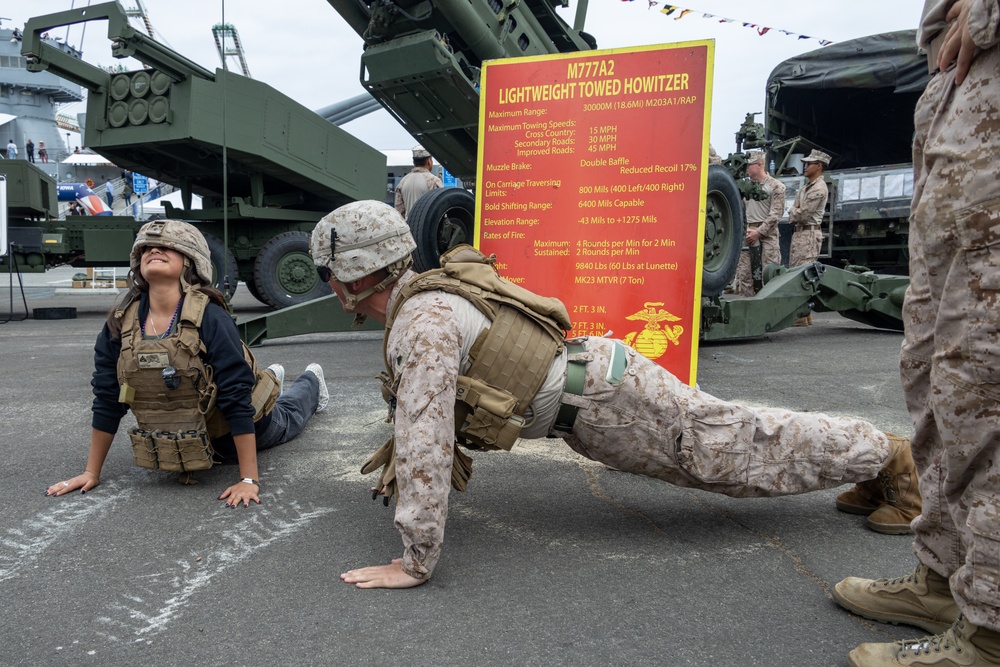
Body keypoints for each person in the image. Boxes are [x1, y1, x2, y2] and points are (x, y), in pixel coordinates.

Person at [309, 201, 921, 590]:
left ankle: (891, 460)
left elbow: (426, 436)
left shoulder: (421, 323)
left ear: (355, 275)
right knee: (734, 439)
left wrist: (415, 557)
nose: (328, 282)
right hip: (599, 385)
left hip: (606, 401)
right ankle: (878, 461)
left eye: (328, 271)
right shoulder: (428, 298)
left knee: (732, 454)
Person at [832, 1, 1000, 665]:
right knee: (935, 374)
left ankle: (989, 628)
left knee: (984, 387)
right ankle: (943, 577)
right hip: (956, 108)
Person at [45, 220, 330, 507]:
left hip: (236, 433)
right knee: (242, 383)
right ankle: (267, 377)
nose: (154, 250)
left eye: (167, 246)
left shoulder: (211, 317)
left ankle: (310, 381)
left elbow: (235, 398)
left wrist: (248, 480)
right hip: (178, 444)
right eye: (147, 248)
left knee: (290, 415)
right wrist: (90, 472)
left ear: (189, 262)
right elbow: (108, 398)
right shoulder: (120, 325)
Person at [732, 151, 787, 297]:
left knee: (769, 276)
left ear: (759, 165)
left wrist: (759, 232)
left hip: (767, 236)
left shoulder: (776, 186)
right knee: (745, 277)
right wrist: (747, 230)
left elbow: (776, 215)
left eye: (749, 165)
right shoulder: (745, 188)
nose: (746, 169)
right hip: (748, 234)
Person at [786, 149, 830, 325]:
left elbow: (801, 214)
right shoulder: (806, 188)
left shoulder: (819, 188)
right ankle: (804, 314)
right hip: (800, 233)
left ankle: (803, 314)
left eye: (809, 163)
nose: (805, 166)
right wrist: (794, 211)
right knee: (796, 272)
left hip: (809, 233)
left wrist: (793, 211)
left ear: (819, 166)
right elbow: (795, 212)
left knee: (804, 273)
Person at [393, 145, 443, 219]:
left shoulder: (403, 182)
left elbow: (399, 212)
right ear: (429, 161)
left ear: (414, 162)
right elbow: (440, 208)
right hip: (427, 228)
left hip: (408, 228)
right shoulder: (434, 181)